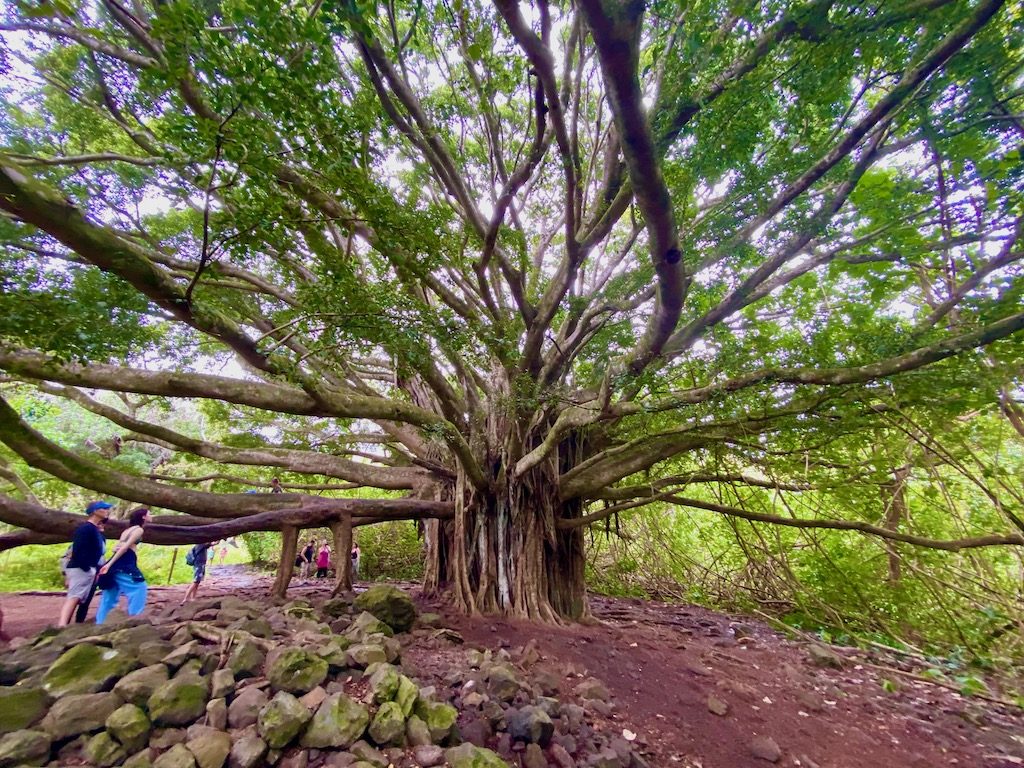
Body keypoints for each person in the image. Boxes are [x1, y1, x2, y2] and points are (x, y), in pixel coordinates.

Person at [58, 500, 112, 627]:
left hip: (89, 569)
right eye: (103, 508)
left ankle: (73, 625)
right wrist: (86, 567)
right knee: (74, 597)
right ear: (94, 511)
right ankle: (62, 625)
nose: (107, 511)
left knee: (81, 599)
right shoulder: (86, 528)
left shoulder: (94, 530)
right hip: (80, 568)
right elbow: (77, 549)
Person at [95, 507, 150, 623]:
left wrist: (110, 563)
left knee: (110, 594)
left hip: (117, 561)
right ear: (143, 517)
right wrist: (109, 564)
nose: (152, 516)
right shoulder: (139, 530)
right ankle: (135, 618)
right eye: (149, 514)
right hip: (125, 562)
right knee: (139, 588)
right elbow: (124, 548)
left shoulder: (126, 531)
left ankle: (100, 622)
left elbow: (118, 547)